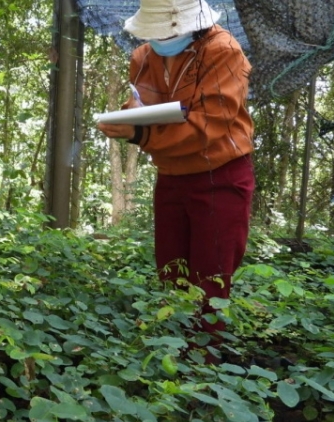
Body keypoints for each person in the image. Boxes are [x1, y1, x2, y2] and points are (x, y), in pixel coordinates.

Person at [98, 0, 255, 362]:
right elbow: (145, 102)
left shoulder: (222, 50)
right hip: (170, 174)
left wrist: (141, 136)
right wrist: (132, 117)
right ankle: (171, 353)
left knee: (211, 273)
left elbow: (213, 124)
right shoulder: (143, 56)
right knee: (170, 267)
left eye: (167, 32)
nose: (160, 40)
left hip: (221, 174)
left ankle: (206, 364)